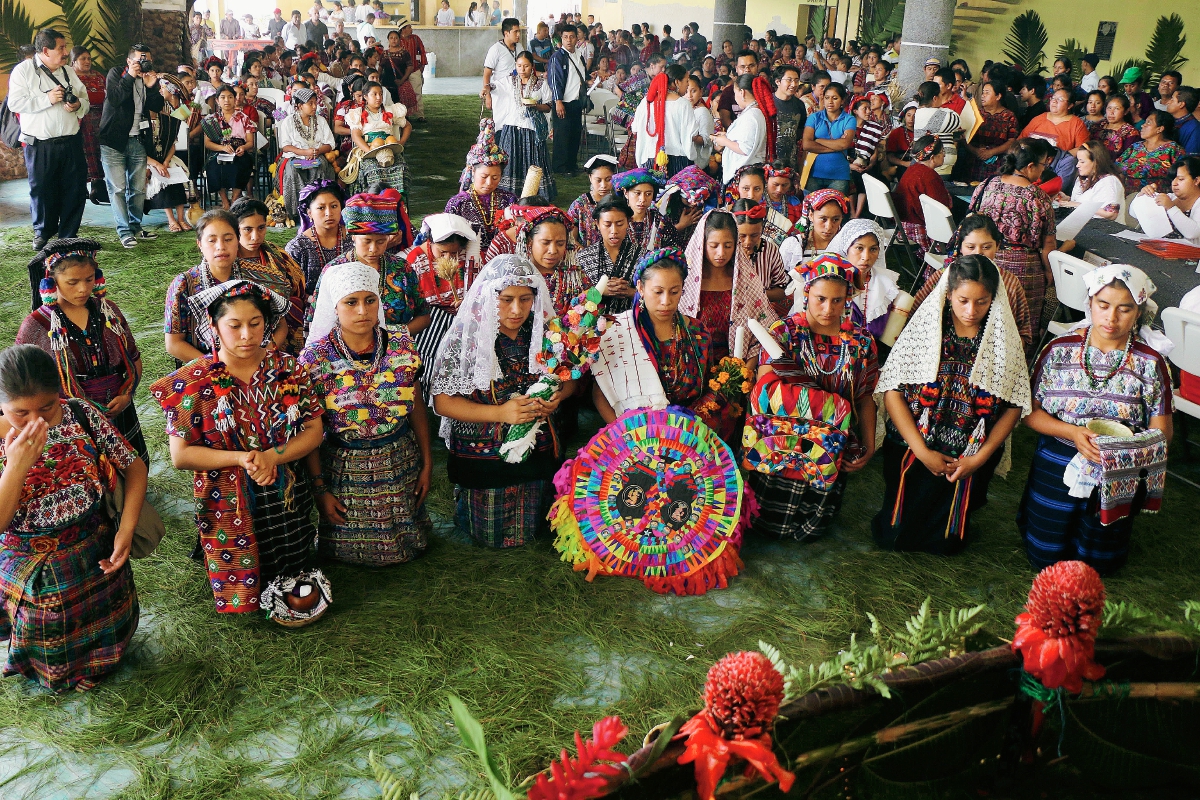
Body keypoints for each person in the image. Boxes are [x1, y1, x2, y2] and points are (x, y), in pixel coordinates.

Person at [152, 281, 331, 625]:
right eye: (234, 325)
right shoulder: (192, 381)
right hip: (226, 493)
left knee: (290, 546)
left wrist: (273, 457)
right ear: (214, 326)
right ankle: (245, 588)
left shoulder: (289, 370)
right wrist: (242, 459)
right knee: (239, 551)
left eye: (255, 324)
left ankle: (289, 579)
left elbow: (313, 430)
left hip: (285, 487)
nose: (246, 335)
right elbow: (181, 455)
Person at [0, 344, 145, 692]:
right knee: (50, 632)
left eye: (47, 407)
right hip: (32, 559)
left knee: (106, 620)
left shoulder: (80, 414)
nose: (35, 421)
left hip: (94, 542)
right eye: (20, 413)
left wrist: (125, 529)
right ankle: (59, 673)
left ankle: (99, 663)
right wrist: (17, 465)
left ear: (59, 392)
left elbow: (135, 468)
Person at [1018, 265, 1173, 574]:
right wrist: (1073, 433)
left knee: (1099, 561)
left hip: (1117, 467)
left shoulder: (1151, 363)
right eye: (1103, 305)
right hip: (1059, 455)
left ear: (1139, 312)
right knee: (1044, 554)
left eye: (1124, 309)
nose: (1111, 318)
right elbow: (1029, 413)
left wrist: (1122, 449)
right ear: (1089, 303)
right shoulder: (1059, 351)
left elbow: (1163, 433)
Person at [873, 256, 1029, 554]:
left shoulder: (1001, 341)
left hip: (967, 456)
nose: (971, 311)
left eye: (982, 302)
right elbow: (892, 390)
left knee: (947, 541)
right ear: (949, 294)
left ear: (994, 299)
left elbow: (1013, 405)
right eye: (963, 300)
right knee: (895, 535)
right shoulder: (926, 332)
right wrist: (921, 450)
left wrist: (980, 458)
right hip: (913, 447)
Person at [429, 256, 574, 548]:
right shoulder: (466, 337)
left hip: (538, 449)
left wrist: (558, 397)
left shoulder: (546, 332)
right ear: (488, 295)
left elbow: (569, 377)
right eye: (506, 299)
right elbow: (443, 402)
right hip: (484, 456)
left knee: (538, 529)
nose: (517, 309)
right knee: (491, 537)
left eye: (525, 298)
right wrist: (500, 413)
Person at [299, 261, 432, 565]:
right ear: (335, 306)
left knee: (408, 545)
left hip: (399, 460)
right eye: (351, 302)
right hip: (345, 467)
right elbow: (311, 428)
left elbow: (416, 405)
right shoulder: (315, 359)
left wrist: (427, 462)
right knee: (348, 550)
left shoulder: (400, 345)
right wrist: (320, 489)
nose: (362, 311)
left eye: (369, 300)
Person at [744, 255, 878, 541]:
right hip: (781, 444)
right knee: (763, 523)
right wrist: (821, 408)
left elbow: (865, 398)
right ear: (806, 294)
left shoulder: (861, 344)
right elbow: (765, 388)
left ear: (848, 298)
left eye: (838, 301)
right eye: (820, 299)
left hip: (828, 450)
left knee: (813, 527)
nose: (828, 309)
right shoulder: (785, 333)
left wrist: (869, 444)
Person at [17, 240, 147, 466]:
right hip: (71, 416)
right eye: (72, 282)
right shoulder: (36, 325)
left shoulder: (108, 311)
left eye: (89, 279)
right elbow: (22, 383)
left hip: (119, 406)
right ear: (51, 280)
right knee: (91, 472)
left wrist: (127, 395)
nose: (83, 289)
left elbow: (133, 357)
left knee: (131, 466)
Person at [590, 248, 730, 434]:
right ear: (640, 288)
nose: (666, 301)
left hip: (688, 435)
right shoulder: (616, 331)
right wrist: (626, 435)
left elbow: (707, 389)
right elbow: (601, 393)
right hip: (632, 437)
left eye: (674, 292)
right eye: (658, 292)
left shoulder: (697, 333)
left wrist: (689, 431)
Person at [9, 29, 90, 256]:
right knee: (43, 190)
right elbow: (15, 103)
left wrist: (77, 106)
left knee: (75, 189)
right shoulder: (23, 72)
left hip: (71, 142)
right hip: (40, 145)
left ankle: (69, 235)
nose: (66, 53)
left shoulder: (68, 72)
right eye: (61, 48)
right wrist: (47, 99)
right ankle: (43, 233)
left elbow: (84, 98)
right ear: (45, 50)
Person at [166, 210, 285, 362]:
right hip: (207, 368)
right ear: (200, 244)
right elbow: (174, 343)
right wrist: (219, 368)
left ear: (238, 240)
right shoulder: (184, 285)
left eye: (228, 239)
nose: (221, 247)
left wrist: (262, 358)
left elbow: (281, 326)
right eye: (212, 240)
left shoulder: (259, 276)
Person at [909, 214, 1034, 351]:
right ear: (960, 247)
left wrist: (1002, 348)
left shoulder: (1010, 284)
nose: (978, 253)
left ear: (997, 246)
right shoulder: (944, 277)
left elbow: (1024, 334)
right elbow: (915, 314)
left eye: (986, 247)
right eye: (970, 247)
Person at [312, 191, 431, 335]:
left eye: (381, 241)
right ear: (353, 236)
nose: (373, 249)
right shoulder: (335, 270)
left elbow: (423, 315)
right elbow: (318, 320)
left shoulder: (402, 268)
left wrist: (396, 336)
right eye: (367, 241)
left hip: (396, 348)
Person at [971, 141, 1058, 336]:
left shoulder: (986, 185)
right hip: (1025, 273)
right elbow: (1048, 245)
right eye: (1043, 165)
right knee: (1019, 326)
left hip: (984, 262)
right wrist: (1050, 275)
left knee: (986, 320)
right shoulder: (1039, 197)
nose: (1044, 170)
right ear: (1030, 167)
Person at [680, 209, 777, 383]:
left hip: (738, 372)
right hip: (693, 372)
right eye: (714, 245)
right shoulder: (687, 283)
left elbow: (763, 331)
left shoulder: (745, 281)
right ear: (702, 244)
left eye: (728, 245)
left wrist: (743, 372)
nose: (721, 253)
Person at [229, 198, 309, 355]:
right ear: (235, 228)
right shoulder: (227, 262)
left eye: (261, 228)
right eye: (247, 229)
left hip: (284, 333)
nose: (255, 236)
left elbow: (298, 291)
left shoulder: (280, 257)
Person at [405, 213, 481, 372]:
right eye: (442, 252)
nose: (448, 257)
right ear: (430, 242)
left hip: (463, 320)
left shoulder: (469, 256)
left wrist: (468, 302)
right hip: (429, 326)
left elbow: (481, 289)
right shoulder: (415, 261)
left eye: (454, 253)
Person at [493, 52, 556, 200]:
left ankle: (535, 193)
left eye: (526, 66)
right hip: (512, 126)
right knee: (511, 161)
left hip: (531, 128)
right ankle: (510, 193)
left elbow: (548, 105)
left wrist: (535, 106)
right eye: (519, 66)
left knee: (533, 160)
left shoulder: (541, 83)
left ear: (532, 66)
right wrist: (487, 89)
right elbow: (496, 87)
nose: (522, 69)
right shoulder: (510, 81)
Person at [826, 219, 902, 343]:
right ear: (846, 248)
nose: (866, 257)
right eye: (859, 248)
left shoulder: (885, 284)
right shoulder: (829, 283)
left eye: (873, 249)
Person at [446, 120, 517, 252]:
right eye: (484, 177)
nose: (489, 183)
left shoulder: (509, 200)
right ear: (473, 172)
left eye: (495, 178)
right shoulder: (458, 203)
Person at [275, 86, 338, 222]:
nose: (315, 106)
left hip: (316, 155)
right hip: (294, 156)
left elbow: (330, 144)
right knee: (292, 172)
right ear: (299, 106)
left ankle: (317, 209)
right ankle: (297, 212)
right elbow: (285, 147)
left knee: (320, 167)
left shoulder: (320, 121)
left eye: (315, 102)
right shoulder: (288, 122)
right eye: (310, 103)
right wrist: (304, 152)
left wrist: (317, 151)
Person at [891, 135, 955, 266]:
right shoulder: (930, 177)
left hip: (904, 224)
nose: (944, 156)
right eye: (942, 152)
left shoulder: (912, 170)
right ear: (932, 158)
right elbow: (942, 211)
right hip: (919, 228)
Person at [633, 64, 700, 177]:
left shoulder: (646, 101)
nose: (688, 85)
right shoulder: (683, 104)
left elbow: (635, 130)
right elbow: (691, 134)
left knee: (652, 193)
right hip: (677, 161)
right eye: (686, 81)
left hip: (650, 158)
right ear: (677, 82)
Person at [346, 81, 412, 196]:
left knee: (401, 167)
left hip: (390, 149)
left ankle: (397, 199)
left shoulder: (390, 110)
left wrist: (400, 143)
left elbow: (407, 126)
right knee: (373, 169)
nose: (379, 97)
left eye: (381, 94)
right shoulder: (358, 113)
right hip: (369, 150)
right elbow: (355, 136)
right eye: (374, 94)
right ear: (365, 96)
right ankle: (375, 199)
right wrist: (369, 151)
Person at [287, 180, 352, 292]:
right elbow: (293, 290)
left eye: (334, 206)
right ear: (309, 213)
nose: (329, 213)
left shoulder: (355, 239)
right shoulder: (298, 247)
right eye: (321, 208)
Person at [140, 79, 188, 232]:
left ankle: (181, 218)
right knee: (162, 182)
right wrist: (157, 164)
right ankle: (171, 219)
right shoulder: (140, 122)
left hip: (167, 158)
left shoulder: (167, 120)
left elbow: (172, 144)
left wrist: (166, 161)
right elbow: (139, 151)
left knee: (177, 181)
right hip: (149, 161)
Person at [731, 200, 789, 317]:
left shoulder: (770, 250)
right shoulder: (727, 251)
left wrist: (755, 293)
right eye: (742, 236)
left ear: (762, 229)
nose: (748, 242)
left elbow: (781, 291)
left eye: (754, 235)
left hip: (761, 315)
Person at [202, 85, 257, 208]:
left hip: (239, 151)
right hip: (219, 151)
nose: (226, 100)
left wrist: (243, 148)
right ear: (217, 100)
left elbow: (250, 142)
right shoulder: (211, 120)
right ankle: (225, 201)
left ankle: (235, 199)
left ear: (235, 99)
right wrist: (223, 148)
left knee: (241, 164)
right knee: (214, 166)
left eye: (230, 97)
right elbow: (207, 143)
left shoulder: (244, 118)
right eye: (223, 97)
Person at [713, 74, 773, 185]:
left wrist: (724, 141)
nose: (735, 98)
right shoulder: (753, 113)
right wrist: (728, 136)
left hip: (745, 175)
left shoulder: (751, 116)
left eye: (735, 93)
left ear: (742, 92)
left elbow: (745, 148)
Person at [1132, 155, 1200, 246]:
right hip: (1156, 250)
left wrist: (1171, 207)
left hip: (1186, 257)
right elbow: (1133, 213)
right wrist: (1143, 196)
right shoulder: (1170, 197)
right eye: (1173, 179)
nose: (1174, 183)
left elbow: (1192, 233)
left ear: (1196, 180)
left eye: (1181, 179)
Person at [547, 25, 587, 177]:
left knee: (575, 134)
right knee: (562, 135)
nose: (569, 40)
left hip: (576, 102)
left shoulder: (579, 55)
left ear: (577, 38)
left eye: (572, 37)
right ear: (561, 38)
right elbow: (554, 82)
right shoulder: (557, 57)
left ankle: (571, 164)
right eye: (565, 37)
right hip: (562, 103)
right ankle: (560, 167)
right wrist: (558, 101)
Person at [802, 81, 855, 192]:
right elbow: (806, 144)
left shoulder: (849, 119)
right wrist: (837, 146)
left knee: (836, 208)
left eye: (835, 98)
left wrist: (818, 140)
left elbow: (845, 144)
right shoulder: (814, 118)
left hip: (839, 176)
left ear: (842, 100)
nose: (830, 102)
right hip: (813, 174)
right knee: (811, 208)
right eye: (827, 98)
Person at [70, 47, 107, 205]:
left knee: (100, 153)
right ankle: (81, 188)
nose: (87, 62)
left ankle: (98, 186)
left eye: (89, 59)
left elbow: (107, 95)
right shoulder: (70, 78)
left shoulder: (98, 76)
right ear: (73, 61)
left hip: (101, 121)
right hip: (79, 122)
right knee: (82, 155)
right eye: (82, 58)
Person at [961, 80, 1018, 182]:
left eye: (987, 92)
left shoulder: (1009, 116)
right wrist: (975, 151)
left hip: (998, 162)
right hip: (974, 159)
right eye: (983, 92)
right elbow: (964, 136)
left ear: (998, 96)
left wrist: (991, 152)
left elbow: (1011, 141)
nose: (983, 95)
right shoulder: (976, 114)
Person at [1054, 141, 1126, 221]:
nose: (1077, 165)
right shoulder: (1082, 179)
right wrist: (1067, 199)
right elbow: (1086, 202)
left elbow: (1111, 214)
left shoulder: (1110, 182)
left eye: (1082, 162)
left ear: (1096, 162)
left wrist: (1076, 204)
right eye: (1078, 161)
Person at [778, 188, 848, 270]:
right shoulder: (793, 245)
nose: (829, 227)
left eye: (836, 220)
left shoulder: (847, 246)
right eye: (823, 219)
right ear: (811, 215)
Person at [1117, 111, 1184, 194]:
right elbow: (1117, 167)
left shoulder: (1172, 149)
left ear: (1159, 129)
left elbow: (1183, 176)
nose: (1142, 125)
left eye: (1148, 123)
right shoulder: (1135, 147)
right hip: (1128, 196)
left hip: (1156, 198)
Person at [567, 154, 617, 248]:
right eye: (598, 180)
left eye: (608, 180)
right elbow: (571, 238)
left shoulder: (619, 202)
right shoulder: (579, 205)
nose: (603, 185)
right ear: (590, 177)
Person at [482, 17, 521, 109]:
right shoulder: (495, 49)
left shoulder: (519, 47)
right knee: (500, 121)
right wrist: (488, 97)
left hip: (516, 91)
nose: (519, 34)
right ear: (506, 33)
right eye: (515, 32)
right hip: (500, 92)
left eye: (519, 31)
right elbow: (486, 74)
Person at [1095, 94, 1140, 160]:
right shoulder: (1097, 126)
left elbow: (1128, 158)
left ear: (1126, 111)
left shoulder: (1131, 133)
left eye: (1117, 108)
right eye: (1109, 108)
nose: (1111, 112)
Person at [1167, 87, 1200, 155]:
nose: (1168, 102)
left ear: (1181, 104)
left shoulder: (1194, 128)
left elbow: (1193, 158)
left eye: (1172, 99)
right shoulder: (1168, 120)